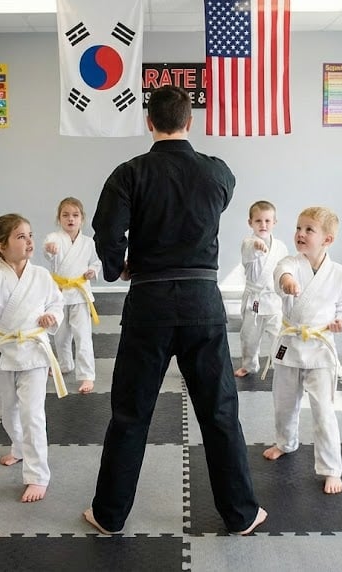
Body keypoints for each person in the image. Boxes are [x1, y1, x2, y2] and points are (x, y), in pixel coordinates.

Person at [86, 85, 265, 535]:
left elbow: (107, 230)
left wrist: (116, 266)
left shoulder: (129, 173)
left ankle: (109, 515)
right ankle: (241, 514)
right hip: (203, 300)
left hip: (149, 301)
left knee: (131, 412)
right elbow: (218, 201)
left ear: (149, 122)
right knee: (219, 411)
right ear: (190, 121)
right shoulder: (218, 172)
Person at [262, 207, 342, 495]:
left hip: (320, 350)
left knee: (324, 411)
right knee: (283, 403)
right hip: (290, 346)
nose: (300, 234)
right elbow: (282, 273)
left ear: (327, 239)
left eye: (308, 230)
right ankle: (285, 442)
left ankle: (331, 468)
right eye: (298, 228)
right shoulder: (290, 263)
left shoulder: (338, 273)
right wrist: (287, 281)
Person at [0, 213, 65, 503]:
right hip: (4, 353)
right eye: (21, 237)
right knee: (7, 410)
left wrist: (52, 317)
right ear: (1, 246)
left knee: (32, 414)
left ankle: (38, 476)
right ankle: (19, 447)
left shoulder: (41, 275)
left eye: (30, 235)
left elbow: (56, 302)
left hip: (34, 353)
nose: (29, 241)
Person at [43, 197, 102, 394]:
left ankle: (87, 375)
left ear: (82, 219)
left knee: (82, 336)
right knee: (60, 335)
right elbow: (48, 252)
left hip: (80, 294)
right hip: (58, 294)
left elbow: (96, 262)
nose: (71, 219)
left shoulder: (88, 242)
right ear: (59, 218)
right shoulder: (53, 238)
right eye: (65, 215)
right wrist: (49, 250)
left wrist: (93, 271)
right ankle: (65, 363)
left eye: (75, 215)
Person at [234, 200, 288, 378]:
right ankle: (249, 365)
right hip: (254, 301)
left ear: (274, 222)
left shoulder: (281, 247)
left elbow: (285, 269)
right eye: (258, 221)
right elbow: (249, 249)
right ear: (250, 223)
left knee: (280, 336)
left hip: (274, 300)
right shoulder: (248, 243)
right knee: (249, 337)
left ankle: (282, 363)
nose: (263, 225)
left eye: (267, 221)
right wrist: (256, 245)